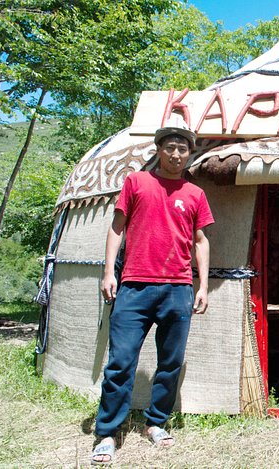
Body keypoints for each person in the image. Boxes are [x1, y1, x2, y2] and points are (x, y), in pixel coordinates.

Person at [91, 121, 214, 464]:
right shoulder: (136, 181)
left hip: (177, 288)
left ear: (190, 155)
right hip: (134, 285)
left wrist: (202, 285)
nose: (176, 154)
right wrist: (107, 272)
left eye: (183, 149)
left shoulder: (195, 194)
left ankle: (156, 422)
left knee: (171, 362)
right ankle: (107, 432)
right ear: (159, 150)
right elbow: (118, 226)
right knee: (120, 362)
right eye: (170, 148)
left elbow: (201, 241)